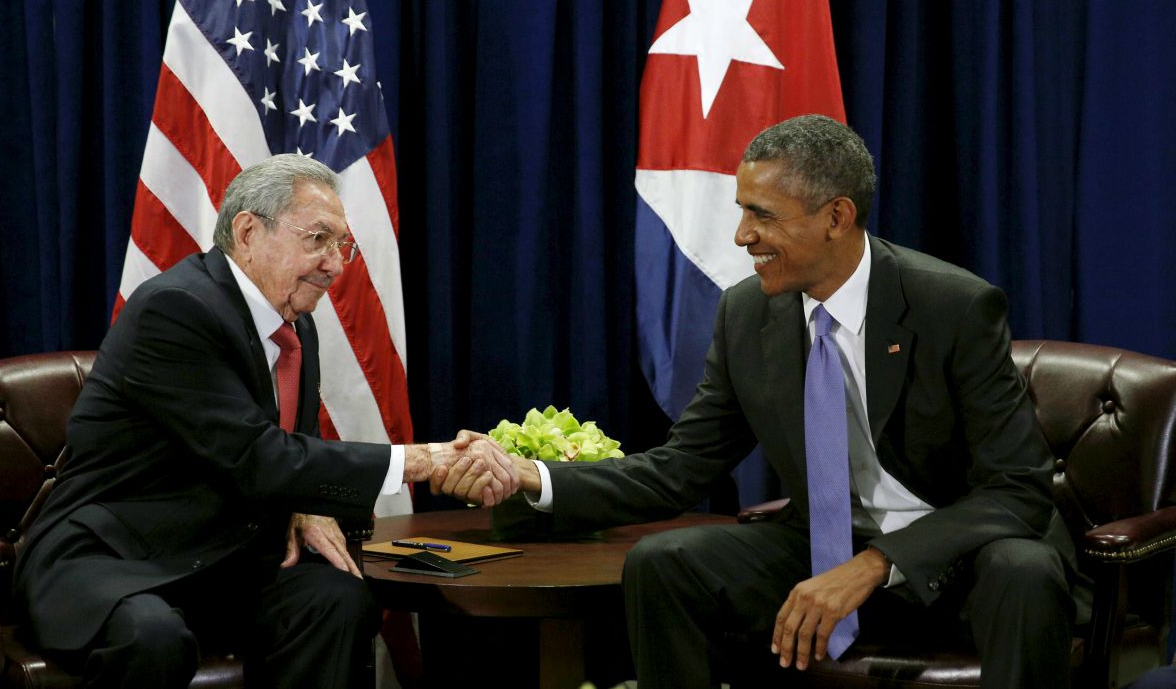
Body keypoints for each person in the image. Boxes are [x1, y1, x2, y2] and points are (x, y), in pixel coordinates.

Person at [437, 115, 1085, 688]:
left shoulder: (954, 306)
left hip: (959, 560)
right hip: (821, 549)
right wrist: (532, 476)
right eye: (742, 210)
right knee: (667, 564)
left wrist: (876, 564)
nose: (742, 235)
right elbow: (679, 471)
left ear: (837, 216)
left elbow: (1019, 489)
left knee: (1024, 572)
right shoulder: (747, 313)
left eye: (763, 214)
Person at [14, 154, 518, 688]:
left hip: (220, 560)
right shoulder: (176, 309)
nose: (336, 264)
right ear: (249, 231)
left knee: (337, 601)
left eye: (339, 245)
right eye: (318, 239)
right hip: (112, 559)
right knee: (153, 636)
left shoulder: (295, 325)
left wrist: (303, 503)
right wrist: (424, 459)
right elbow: (254, 454)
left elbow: (288, 451)